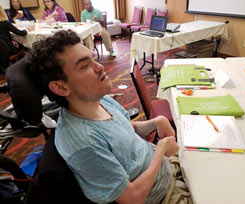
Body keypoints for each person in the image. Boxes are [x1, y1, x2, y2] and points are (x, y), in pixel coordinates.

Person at [27, 30, 192, 204]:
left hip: (166, 168)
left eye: (93, 59)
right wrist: (161, 151)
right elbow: (132, 198)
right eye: (85, 66)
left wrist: (157, 122)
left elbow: (124, 133)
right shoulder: (84, 143)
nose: (100, 67)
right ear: (60, 88)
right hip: (163, 195)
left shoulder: (100, 100)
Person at [0, 5, 32, 72]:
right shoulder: (4, 23)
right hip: (8, 50)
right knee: (25, 46)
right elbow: (21, 33)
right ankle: (25, 68)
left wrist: (10, 40)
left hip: (2, 51)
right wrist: (28, 29)